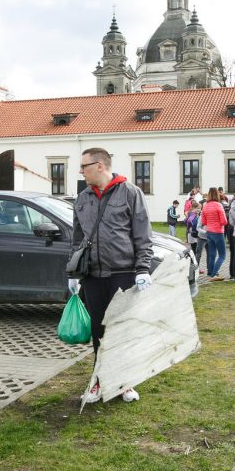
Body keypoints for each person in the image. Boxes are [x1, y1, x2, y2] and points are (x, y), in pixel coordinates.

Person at [68, 148, 152, 404]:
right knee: (98, 330)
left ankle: (125, 383)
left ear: (101, 166)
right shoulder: (82, 198)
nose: (81, 171)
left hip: (123, 274)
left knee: (123, 330)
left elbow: (142, 235)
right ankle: (99, 380)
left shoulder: (130, 193)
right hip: (93, 275)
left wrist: (143, 268)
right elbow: (77, 239)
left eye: (84, 166)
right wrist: (72, 273)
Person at [201, 187, 228, 281]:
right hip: (218, 232)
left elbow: (203, 221)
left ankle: (209, 271)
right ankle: (213, 274)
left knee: (212, 254)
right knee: (222, 255)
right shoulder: (219, 205)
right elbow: (224, 221)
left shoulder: (205, 205)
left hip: (209, 232)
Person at [185, 202, 205, 273]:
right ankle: (195, 268)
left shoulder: (192, 213)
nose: (200, 209)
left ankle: (193, 267)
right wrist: (192, 228)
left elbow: (186, 221)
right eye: (198, 208)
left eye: (200, 208)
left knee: (194, 252)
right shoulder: (193, 215)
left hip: (191, 235)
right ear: (194, 208)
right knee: (195, 252)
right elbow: (189, 222)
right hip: (193, 235)